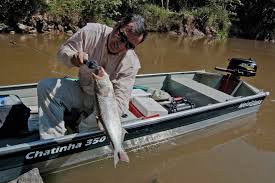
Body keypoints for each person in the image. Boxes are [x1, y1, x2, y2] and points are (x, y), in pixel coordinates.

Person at [37, 14, 147, 139]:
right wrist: (72, 57)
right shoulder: (91, 32)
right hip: (82, 90)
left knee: (111, 113)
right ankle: (51, 140)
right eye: (122, 37)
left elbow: (121, 102)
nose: (121, 46)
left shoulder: (131, 63)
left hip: (103, 104)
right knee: (45, 86)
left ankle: (82, 133)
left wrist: (100, 115)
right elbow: (63, 52)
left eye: (129, 45)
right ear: (117, 26)